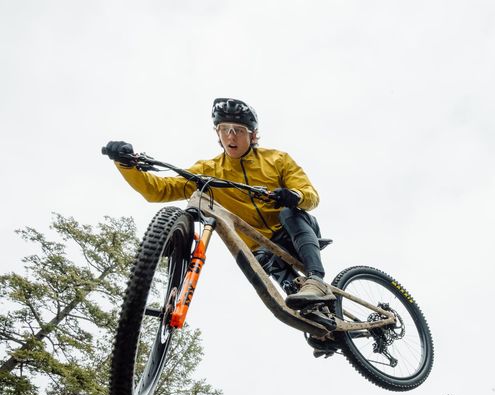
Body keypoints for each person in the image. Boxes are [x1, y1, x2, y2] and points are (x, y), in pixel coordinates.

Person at [103, 98, 335, 310]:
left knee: (289, 214)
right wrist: (126, 164)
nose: (231, 136)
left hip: (292, 234)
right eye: (224, 129)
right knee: (289, 290)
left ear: (253, 135)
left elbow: (310, 195)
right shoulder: (209, 171)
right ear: (218, 133)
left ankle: (316, 279)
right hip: (259, 247)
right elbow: (159, 190)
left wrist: (294, 195)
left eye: (238, 130)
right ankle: (319, 323)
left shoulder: (277, 159)